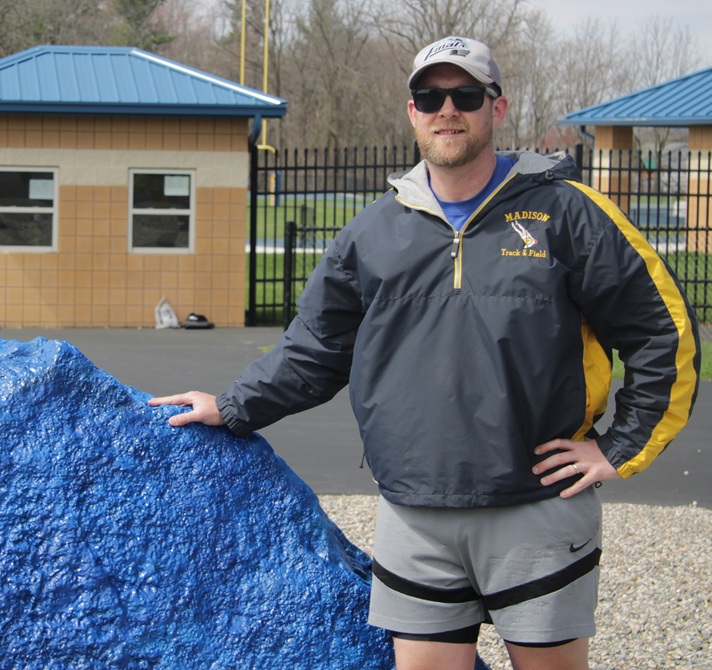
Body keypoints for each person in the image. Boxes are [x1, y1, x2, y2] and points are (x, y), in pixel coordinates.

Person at [149, 35, 700, 670]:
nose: (448, 109)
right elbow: (314, 350)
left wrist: (618, 446)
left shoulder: (568, 213)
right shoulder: (374, 232)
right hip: (414, 517)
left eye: (466, 94)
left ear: (496, 107)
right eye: (430, 96)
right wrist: (231, 406)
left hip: (537, 512)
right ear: (412, 111)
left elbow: (665, 333)